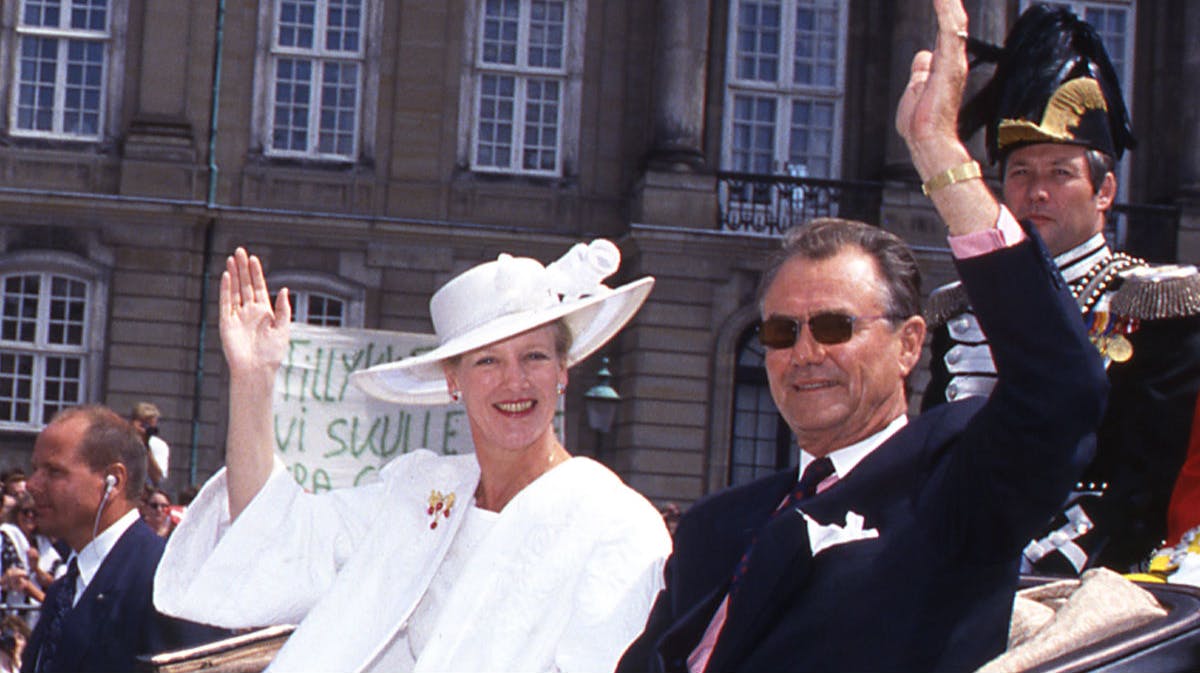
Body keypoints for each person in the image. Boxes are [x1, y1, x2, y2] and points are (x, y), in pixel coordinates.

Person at [617, 1, 1108, 670]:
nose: (804, 352)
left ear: (909, 344)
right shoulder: (712, 529)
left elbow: (1062, 386)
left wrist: (939, 151)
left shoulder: (956, 483)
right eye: (782, 331)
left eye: (833, 326)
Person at [154, 241, 672, 672]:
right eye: (487, 361)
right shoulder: (421, 490)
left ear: (564, 370)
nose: (515, 381)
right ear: (453, 380)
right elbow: (274, 535)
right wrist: (253, 381)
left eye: (535, 356)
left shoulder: (615, 525)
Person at [920, 3, 1200, 575]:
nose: (1036, 192)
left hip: (1098, 578)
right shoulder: (962, 311)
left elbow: (1153, 478)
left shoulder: (1159, 305)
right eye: (1020, 173)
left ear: (1105, 191)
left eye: (1060, 172)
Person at [21, 405, 225, 673]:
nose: (32, 485)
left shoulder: (169, 585)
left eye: (54, 471)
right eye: (35, 469)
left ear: (113, 481)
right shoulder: (63, 591)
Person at [0, 492, 64, 625]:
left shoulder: (43, 542)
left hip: (39, 617)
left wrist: (36, 569)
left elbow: (57, 581)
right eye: (25, 512)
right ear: (17, 513)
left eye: (34, 513)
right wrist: (47, 601)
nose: (30, 516)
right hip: (14, 616)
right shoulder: (7, 536)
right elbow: (19, 580)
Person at [131, 402, 170, 487]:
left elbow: (158, 478)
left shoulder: (159, 446)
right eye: (143, 425)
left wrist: (146, 447)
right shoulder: (121, 441)